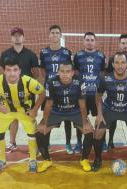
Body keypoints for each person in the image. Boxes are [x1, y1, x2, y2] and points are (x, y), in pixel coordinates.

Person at [0, 56, 45, 174]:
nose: (12, 73)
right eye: (8, 70)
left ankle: (33, 160)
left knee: (32, 133)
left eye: (15, 70)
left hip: (25, 111)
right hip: (6, 111)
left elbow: (42, 93)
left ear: (20, 71)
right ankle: (1, 161)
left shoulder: (28, 81)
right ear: (4, 71)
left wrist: (35, 109)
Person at [36, 62, 94, 172]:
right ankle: (47, 160)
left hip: (75, 111)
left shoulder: (80, 82)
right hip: (57, 111)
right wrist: (44, 121)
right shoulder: (51, 82)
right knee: (39, 132)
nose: (65, 74)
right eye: (62, 71)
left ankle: (84, 159)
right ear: (58, 72)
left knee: (89, 131)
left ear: (72, 73)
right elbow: (48, 104)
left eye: (68, 71)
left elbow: (82, 103)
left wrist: (85, 121)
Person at [39, 25, 81, 155]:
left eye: (57, 33)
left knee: (67, 118)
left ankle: (68, 143)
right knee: (48, 116)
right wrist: (48, 81)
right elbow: (42, 69)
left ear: (60, 35)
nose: (55, 35)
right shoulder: (43, 52)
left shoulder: (67, 52)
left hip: (64, 90)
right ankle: (47, 143)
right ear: (49, 35)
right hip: (50, 89)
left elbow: (70, 69)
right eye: (53, 33)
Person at [0, 27, 39, 153]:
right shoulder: (5, 54)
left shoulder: (31, 55)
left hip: (27, 93)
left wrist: (29, 86)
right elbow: (3, 74)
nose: (17, 37)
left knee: (29, 117)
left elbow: (36, 74)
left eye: (19, 35)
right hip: (10, 93)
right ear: (11, 38)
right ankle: (12, 143)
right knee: (13, 118)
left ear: (23, 38)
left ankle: (34, 145)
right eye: (14, 35)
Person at [73, 32, 107, 152]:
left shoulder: (101, 55)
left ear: (95, 42)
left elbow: (103, 74)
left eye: (92, 40)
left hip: (96, 94)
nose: (90, 42)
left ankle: (103, 142)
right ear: (83, 41)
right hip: (82, 94)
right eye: (87, 40)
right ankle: (79, 143)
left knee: (101, 117)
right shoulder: (78, 55)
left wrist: (101, 88)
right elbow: (76, 73)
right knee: (80, 118)